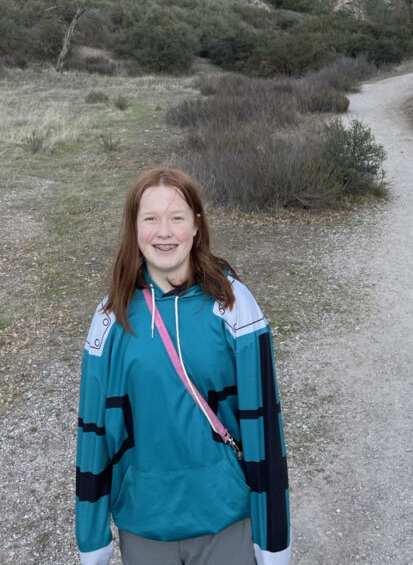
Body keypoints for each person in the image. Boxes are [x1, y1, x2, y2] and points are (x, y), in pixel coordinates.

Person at [75, 167, 291, 565]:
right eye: (151, 219)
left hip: (226, 521)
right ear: (134, 228)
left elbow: (264, 427)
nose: (164, 232)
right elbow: (93, 433)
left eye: (177, 217)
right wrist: (91, 538)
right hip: (145, 526)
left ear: (196, 226)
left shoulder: (236, 307)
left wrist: (273, 539)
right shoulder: (110, 319)